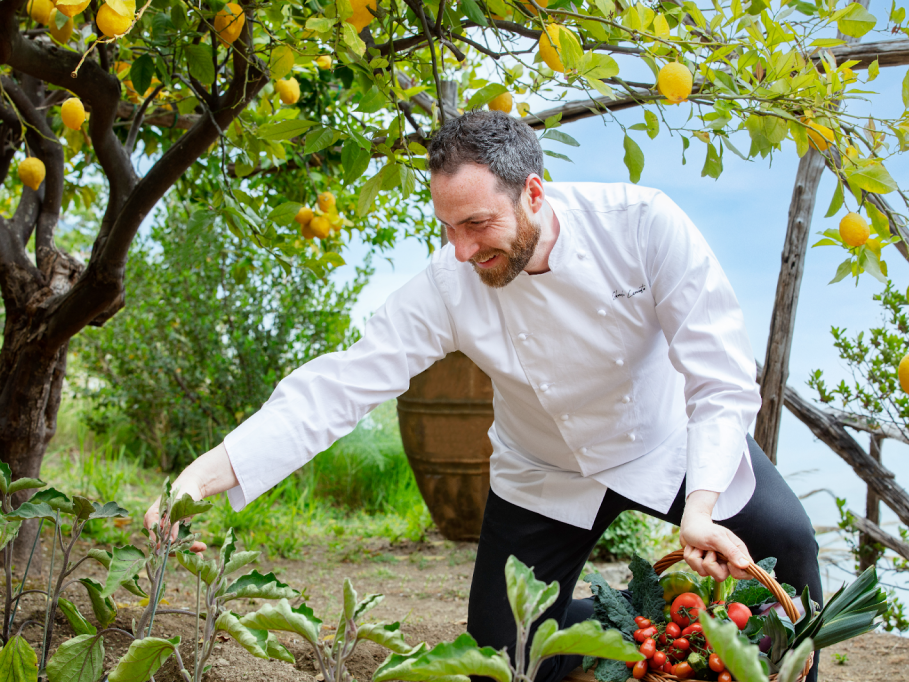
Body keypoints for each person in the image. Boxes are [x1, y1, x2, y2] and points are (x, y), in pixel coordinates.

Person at [144, 110, 821, 682]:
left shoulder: (643, 225)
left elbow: (719, 374)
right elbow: (339, 385)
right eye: (448, 228)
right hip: (544, 472)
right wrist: (201, 477)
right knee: (504, 660)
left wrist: (699, 508)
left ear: (533, 193)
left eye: (476, 224)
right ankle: (642, 618)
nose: (462, 251)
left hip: (663, 441)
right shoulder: (450, 282)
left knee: (791, 545)